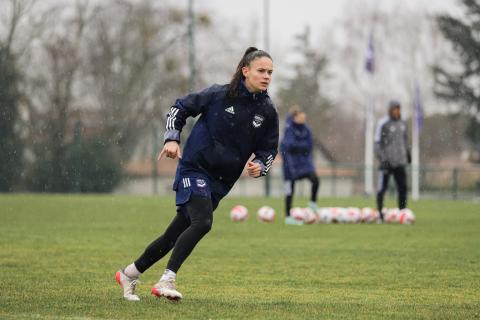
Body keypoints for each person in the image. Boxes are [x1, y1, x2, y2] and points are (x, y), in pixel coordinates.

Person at [115, 47, 278, 301]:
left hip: (221, 183)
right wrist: (172, 138)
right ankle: (166, 279)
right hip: (194, 168)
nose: (266, 76)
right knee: (202, 223)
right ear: (246, 71)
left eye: (270, 72)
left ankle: (129, 273)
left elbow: (268, 149)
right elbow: (180, 107)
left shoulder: (267, 111)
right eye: (261, 71)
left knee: (173, 236)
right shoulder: (218, 94)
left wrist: (260, 164)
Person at [280, 106, 319, 225]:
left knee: (315, 180)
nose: (304, 119)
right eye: (301, 117)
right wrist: (300, 146)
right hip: (290, 164)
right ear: (295, 117)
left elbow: (309, 145)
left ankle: (312, 203)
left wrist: (299, 146)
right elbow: (288, 146)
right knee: (289, 191)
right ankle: (288, 217)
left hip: (304, 163)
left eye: (304, 117)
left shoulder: (307, 129)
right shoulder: (289, 129)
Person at [374, 100, 411, 222]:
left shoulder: (403, 123)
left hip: (400, 162)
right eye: (395, 109)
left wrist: (408, 154)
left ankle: (402, 213)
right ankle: (380, 214)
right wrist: (383, 159)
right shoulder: (383, 124)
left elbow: (405, 141)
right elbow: (377, 144)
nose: (397, 111)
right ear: (390, 110)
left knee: (403, 188)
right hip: (387, 162)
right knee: (381, 189)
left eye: (399, 109)